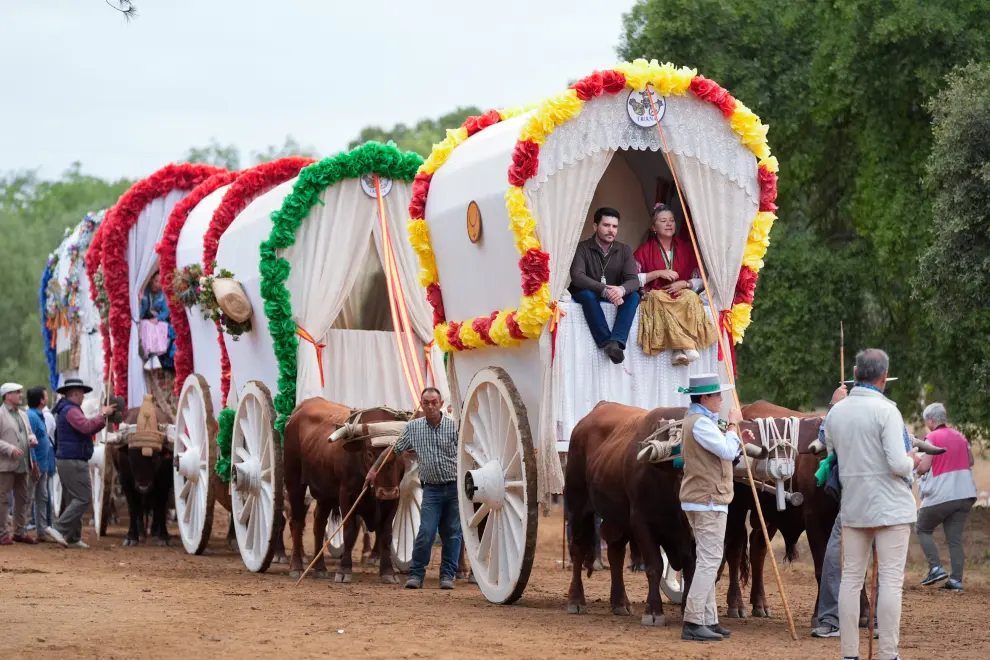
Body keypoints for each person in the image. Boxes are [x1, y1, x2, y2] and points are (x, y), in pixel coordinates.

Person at [824, 349, 921, 660]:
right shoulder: (887, 411)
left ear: (854, 372)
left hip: (854, 506)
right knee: (891, 582)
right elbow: (896, 462)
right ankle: (888, 654)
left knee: (850, 581)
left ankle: (849, 654)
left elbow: (831, 451)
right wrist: (912, 461)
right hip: (891, 507)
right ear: (884, 377)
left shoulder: (836, 413)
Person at [678, 373, 753, 641]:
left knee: (707, 560)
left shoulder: (699, 421)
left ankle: (708, 619)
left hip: (703, 498)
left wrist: (732, 430)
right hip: (708, 500)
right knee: (710, 561)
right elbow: (727, 452)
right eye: (718, 395)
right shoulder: (701, 424)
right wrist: (733, 427)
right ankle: (693, 620)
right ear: (705, 397)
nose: (722, 400)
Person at [366, 387, 461, 590]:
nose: (430, 406)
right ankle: (416, 574)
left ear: (441, 404)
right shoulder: (413, 428)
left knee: (452, 533)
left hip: (454, 488)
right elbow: (393, 450)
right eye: (426, 403)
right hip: (432, 490)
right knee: (426, 531)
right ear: (421, 404)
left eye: (434, 402)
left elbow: (467, 451)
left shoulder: (454, 426)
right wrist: (374, 470)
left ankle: (447, 575)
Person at [633, 203, 716, 365]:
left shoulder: (687, 249)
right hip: (657, 293)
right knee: (657, 297)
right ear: (653, 227)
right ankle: (685, 347)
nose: (669, 224)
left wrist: (685, 284)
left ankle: (679, 350)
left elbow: (701, 280)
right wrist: (657, 273)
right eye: (663, 221)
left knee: (691, 297)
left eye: (671, 220)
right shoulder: (643, 250)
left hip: (680, 292)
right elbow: (632, 280)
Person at [46, 378, 115, 549]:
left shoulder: (68, 410)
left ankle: (73, 537)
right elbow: (86, 427)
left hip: (68, 459)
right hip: (73, 460)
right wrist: (104, 414)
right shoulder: (71, 411)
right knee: (83, 498)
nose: (83, 397)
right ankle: (59, 528)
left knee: (73, 498)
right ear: (75, 393)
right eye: (82, 394)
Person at [915, 402, 977, 592]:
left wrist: (913, 466)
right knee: (954, 538)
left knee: (922, 527)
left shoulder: (932, 436)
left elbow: (924, 467)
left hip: (943, 494)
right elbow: (971, 461)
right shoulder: (960, 436)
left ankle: (935, 568)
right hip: (965, 493)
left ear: (931, 420)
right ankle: (956, 581)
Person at [568, 207, 641, 365]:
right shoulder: (582, 247)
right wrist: (604, 290)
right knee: (587, 295)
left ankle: (616, 342)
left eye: (615, 226)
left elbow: (633, 280)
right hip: (588, 292)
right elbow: (577, 276)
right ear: (595, 227)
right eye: (606, 225)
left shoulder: (624, 250)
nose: (611, 230)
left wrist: (621, 290)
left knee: (634, 295)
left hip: (614, 293)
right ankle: (606, 342)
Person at [0, 383, 39, 545]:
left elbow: (28, 432)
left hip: (23, 463)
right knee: (3, 500)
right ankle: (2, 534)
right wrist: (9, 448)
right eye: (17, 392)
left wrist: (32, 439)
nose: (21, 395)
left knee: (23, 498)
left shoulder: (23, 414)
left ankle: (20, 532)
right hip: (5, 464)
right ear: (8, 396)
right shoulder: (0, 414)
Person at [26, 386, 56, 540]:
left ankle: (41, 531)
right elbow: (28, 442)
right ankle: (22, 531)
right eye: (45, 395)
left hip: (42, 465)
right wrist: (34, 464)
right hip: (35, 466)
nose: (47, 397)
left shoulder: (39, 415)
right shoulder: (31, 416)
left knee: (41, 498)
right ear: (40, 400)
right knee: (28, 497)